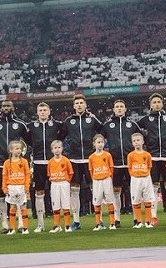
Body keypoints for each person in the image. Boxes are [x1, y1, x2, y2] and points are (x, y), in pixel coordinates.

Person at [0, 101, 29, 233]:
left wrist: (24, 155)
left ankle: (21, 224)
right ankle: (5, 225)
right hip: (0, 163)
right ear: (1, 108)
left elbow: (29, 140)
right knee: (0, 193)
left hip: (16, 163)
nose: (6, 108)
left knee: (19, 194)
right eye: (4, 106)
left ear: (13, 107)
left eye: (8, 106)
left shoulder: (20, 124)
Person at [64, 95, 102, 230]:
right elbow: (60, 136)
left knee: (95, 189)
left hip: (91, 158)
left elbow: (103, 131)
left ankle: (100, 220)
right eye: (77, 103)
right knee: (74, 190)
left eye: (81, 103)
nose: (79, 105)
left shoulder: (92, 119)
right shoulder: (68, 121)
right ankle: (76, 221)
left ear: (85, 105)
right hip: (74, 159)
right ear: (74, 106)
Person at [137, 93, 166, 226]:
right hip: (152, 157)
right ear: (150, 105)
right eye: (154, 102)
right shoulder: (145, 120)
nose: (157, 104)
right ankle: (153, 216)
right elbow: (135, 132)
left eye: (159, 102)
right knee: (153, 187)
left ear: (162, 104)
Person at [28, 102, 66, 233]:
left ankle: (58, 224)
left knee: (54, 192)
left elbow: (62, 135)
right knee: (39, 193)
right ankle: (40, 224)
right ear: (37, 112)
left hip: (53, 162)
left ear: (49, 112)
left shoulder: (56, 125)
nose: (43, 112)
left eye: (45, 110)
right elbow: (27, 139)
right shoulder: (32, 126)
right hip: (38, 163)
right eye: (40, 110)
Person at [103, 99, 141, 220]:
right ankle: (116, 218)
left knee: (134, 190)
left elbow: (140, 139)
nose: (119, 108)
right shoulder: (107, 125)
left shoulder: (132, 125)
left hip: (131, 164)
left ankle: (136, 218)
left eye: (121, 106)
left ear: (125, 109)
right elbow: (99, 138)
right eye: (117, 107)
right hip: (115, 163)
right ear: (114, 110)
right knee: (116, 191)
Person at [1, 140, 31, 235]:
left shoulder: (24, 161)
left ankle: (25, 228)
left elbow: (27, 175)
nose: (19, 150)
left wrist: (27, 186)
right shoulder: (7, 163)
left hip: (21, 187)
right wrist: (4, 188)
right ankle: (12, 228)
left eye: (20, 149)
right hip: (11, 187)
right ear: (11, 150)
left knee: (23, 207)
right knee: (12, 207)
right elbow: (4, 176)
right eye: (17, 149)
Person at [87, 134, 117, 231]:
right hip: (97, 181)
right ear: (94, 144)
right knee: (97, 202)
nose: (100, 144)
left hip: (107, 180)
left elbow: (111, 168)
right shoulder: (91, 157)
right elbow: (91, 170)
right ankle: (98, 224)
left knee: (110, 201)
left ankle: (112, 223)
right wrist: (95, 179)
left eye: (102, 142)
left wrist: (109, 177)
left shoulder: (107, 155)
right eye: (98, 142)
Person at [126, 132, 155, 229]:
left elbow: (149, 166)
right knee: (136, 200)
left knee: (148, 200)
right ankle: (138, 222)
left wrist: (145, 174)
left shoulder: (147, 155)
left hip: (146, 178)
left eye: (138, 140)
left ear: (142, 141)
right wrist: (134, 175)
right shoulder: (130, 155)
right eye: (134, 141)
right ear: (132, 143)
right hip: (135, 179)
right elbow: (129, 168)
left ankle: (148, 221)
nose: (136, 142)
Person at [46, 140, 74, 233]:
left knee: (66, 204)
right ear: (52, 150)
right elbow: (49, 174)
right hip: (54, 184)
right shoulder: (50, 162)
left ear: (62, 149)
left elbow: (70, 172)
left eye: (59, 147)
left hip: (64, 183)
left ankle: (67, 225)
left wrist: (66, 181)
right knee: (56, 205)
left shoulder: (66, 160)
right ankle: (57, 225)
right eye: (55, 148)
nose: (57, 150)